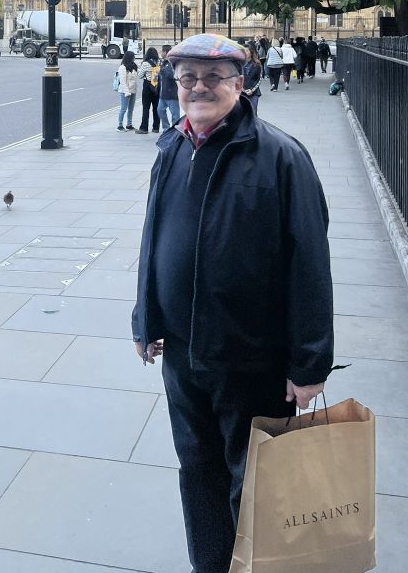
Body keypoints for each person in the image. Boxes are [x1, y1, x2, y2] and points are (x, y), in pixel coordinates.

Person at [131, 33, 333, 573]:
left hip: (252, 356)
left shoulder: (281, 157)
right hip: (182, 354)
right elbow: (154, 237)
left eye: (213, 78)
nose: (199, 88)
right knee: (197, 470)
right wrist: (144, 316)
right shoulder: (172, 146)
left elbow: (309, 264)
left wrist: (309, 364)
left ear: (239, 85)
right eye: (188, 78)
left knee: (257, 482)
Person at [137, 46, 161, 134]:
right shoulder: (159, 62)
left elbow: (139, 76)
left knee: (146, 108)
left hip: (147, 86)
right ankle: (156, 127)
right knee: (156, 108)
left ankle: (144, 128)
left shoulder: (145, 63)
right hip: (157, 86)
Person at [157, 44, 181, 130]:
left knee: (175, 114)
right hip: (163, 93)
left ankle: (175, 130)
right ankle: (166, 128)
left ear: (166, 52)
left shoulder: (172, 64)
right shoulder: (163, 63)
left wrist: (163, 70)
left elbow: (173, 76)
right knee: (160, 110)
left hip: (172, 93)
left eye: (162, 51)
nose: (160, 53)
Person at [116, 50, 138, 131]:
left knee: (131, 109)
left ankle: (129, 124)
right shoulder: (122, 67)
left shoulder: (134, 66)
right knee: (123, 109)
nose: (134, 58)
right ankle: (120, 125)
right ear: (129, 57)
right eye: (133, 57)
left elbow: (135, 79)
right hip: (124, 91)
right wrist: (127, 92)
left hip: (133, 91)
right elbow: (123, 82)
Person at [241, 44, 262, 113]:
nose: (245, 52)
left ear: (251, 52)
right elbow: (236, 78)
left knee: (253, 112)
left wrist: (252, 90)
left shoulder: (257, 64)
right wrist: (243, 89)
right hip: (241, 92)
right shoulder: (239, 64)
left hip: (254, 92)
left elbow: (259, 78)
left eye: (247, 51)